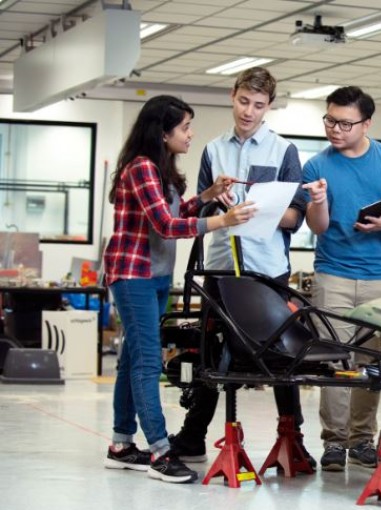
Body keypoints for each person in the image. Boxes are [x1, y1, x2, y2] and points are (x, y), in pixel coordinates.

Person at [167, 67, 315, 469]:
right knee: (211, 354)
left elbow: (295, 216)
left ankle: (293, 436)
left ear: (269, 107)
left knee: (282, 356)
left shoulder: (284, 151)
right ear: (233, 96)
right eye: (244, 101)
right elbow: (199, 206)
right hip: (220, 268)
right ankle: (194, 434)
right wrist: (216, 200)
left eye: (259, 105)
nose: (249, 111)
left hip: (267, 270)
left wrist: (258, 211)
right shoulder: (213, 149)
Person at [102, 95, 255, 483]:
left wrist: (204, 199)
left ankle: (121, 444)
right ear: (163, 131)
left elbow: (173, 214)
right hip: (132, 273)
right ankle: (160, 451)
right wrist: (223, 220)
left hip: (153, 274)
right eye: (185, 127)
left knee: (130, 361)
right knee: (148, 362)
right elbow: (166, 227)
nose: (190, 134)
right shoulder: (140, 169)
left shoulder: (158, 168)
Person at [303, 86, 381, 471]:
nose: (335, 129)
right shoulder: (317, 166)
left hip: (380, 278)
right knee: (335, 361)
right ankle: (334, 443)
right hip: (332, 274)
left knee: (372, 361)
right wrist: (319, 203)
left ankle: (360, 439)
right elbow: (317, 227)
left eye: (344, 123)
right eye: (330, 120)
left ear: (367, 123)